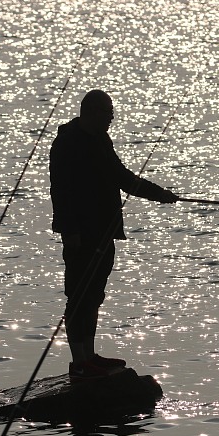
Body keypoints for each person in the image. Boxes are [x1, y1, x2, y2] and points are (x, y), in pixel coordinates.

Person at [49, 89, 178, 380]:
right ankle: (79, 362)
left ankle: (90, 355)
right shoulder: (66, 143)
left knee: (94, 295)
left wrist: (160, 195)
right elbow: (60, 192)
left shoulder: (100, 140)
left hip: (104, 231)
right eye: (108, 114)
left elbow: (122, 177)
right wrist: (70, 232)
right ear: (92, 112)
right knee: (79, 296)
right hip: (80, 234)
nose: (111, 119)